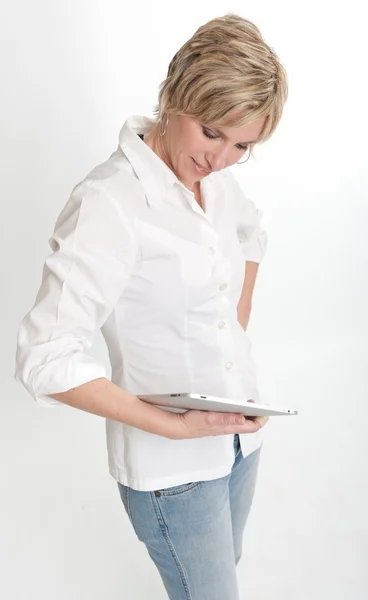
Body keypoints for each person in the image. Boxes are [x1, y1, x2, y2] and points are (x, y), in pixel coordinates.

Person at [14, 13, 288, 600]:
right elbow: (43, 357)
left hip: (241, 442)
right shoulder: (109, 205)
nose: (221, 158)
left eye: (243, 145)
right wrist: (171, 424)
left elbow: (252, 234)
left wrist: (234, 327)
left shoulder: (218, 185)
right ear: (173, 95)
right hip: (173, 476)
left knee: (225, 571)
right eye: (213, 132)